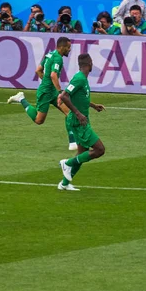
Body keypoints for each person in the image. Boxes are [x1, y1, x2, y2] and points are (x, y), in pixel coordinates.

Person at [6, 37, 78, 150]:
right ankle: (21, 99)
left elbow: (38, 70)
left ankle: (72, 142)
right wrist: (60, 92)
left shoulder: (50, 54)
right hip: (46, 92)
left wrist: (47, 83)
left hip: (51, 90)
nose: (70, 49)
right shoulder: (58, 58)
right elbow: (53, 75)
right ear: (62, 47)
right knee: (39, 120)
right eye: (68, 47)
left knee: (69, 113)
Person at [58, 53, 106, 191]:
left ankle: (64, 184)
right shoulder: (79, 78)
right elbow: (64, 96)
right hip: (79, 122)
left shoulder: (82, 79)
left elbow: (78, 98)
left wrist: (93, 105)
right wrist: (78, 114)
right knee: (100, 150)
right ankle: (67, 163)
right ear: (89, 63)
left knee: (82, 153)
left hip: (82, 119)